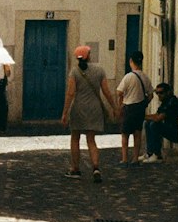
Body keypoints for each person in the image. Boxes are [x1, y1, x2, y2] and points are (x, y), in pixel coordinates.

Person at [61, 44, 118, 182]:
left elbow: (70, 93)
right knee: (91, 140)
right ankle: (96, 167)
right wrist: (114, 107)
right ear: (89, 56)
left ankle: (75, 169)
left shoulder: (74, 72)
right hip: (95, 109)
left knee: (75, 138)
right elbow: (106, 91)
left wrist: (65, 112)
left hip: (79, 109)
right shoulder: (99, 71)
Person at [116, 51, 154, 165]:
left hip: (129, 107)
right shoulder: (145, 77)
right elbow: (151, 94)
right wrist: (145, 102)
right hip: (140, 108)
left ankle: (124, 158)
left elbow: (119, 92)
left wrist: (121, 103)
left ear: (131, 61)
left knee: (125, 134)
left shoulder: (128, 77)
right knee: (137, 133)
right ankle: (135, 158)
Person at [143, 82, 178, 160]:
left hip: (177, 132)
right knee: (148, 123)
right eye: (157, 93)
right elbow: (156, 115)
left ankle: (157, 154)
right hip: (170, 128)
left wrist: (141, 117)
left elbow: (158, 118)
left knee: (154, 124)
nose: (159, 95)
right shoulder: (165, 102)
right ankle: (150, 152)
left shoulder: (172, 102)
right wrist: (142, 117)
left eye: (161, 93)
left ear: (168, 92)